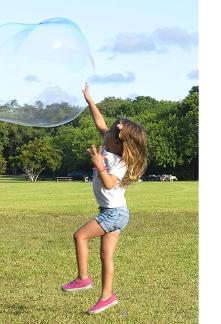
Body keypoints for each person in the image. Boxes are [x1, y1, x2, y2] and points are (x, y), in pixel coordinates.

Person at [60, 83, 148, 315]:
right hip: (113, 212)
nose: (105, 131)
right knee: (105, 255)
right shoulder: (109, 146)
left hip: (114, 214)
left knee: (79, 236)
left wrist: (100, 166)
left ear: (119, 143)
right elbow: (99, 121)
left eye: (110, 132)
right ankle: (107, 297)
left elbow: (110, 183)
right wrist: (90, 100)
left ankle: (83, 279)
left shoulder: (118, 162)